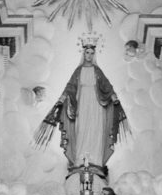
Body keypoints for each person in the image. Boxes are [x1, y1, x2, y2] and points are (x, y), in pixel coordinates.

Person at [35, 41, 128, 179]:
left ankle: (96, 161)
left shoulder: (97, 71)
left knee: (95, 130)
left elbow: (107, 86)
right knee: (82, 129)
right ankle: (80, 161)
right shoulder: (78, 71)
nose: (89, 56)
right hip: (82, 103)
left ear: (94, 55)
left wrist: (114, 97)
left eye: (92, 53)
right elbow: (70, 86)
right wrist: (62, 98)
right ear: (83, 54)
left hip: (97, 105)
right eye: (87, 53)